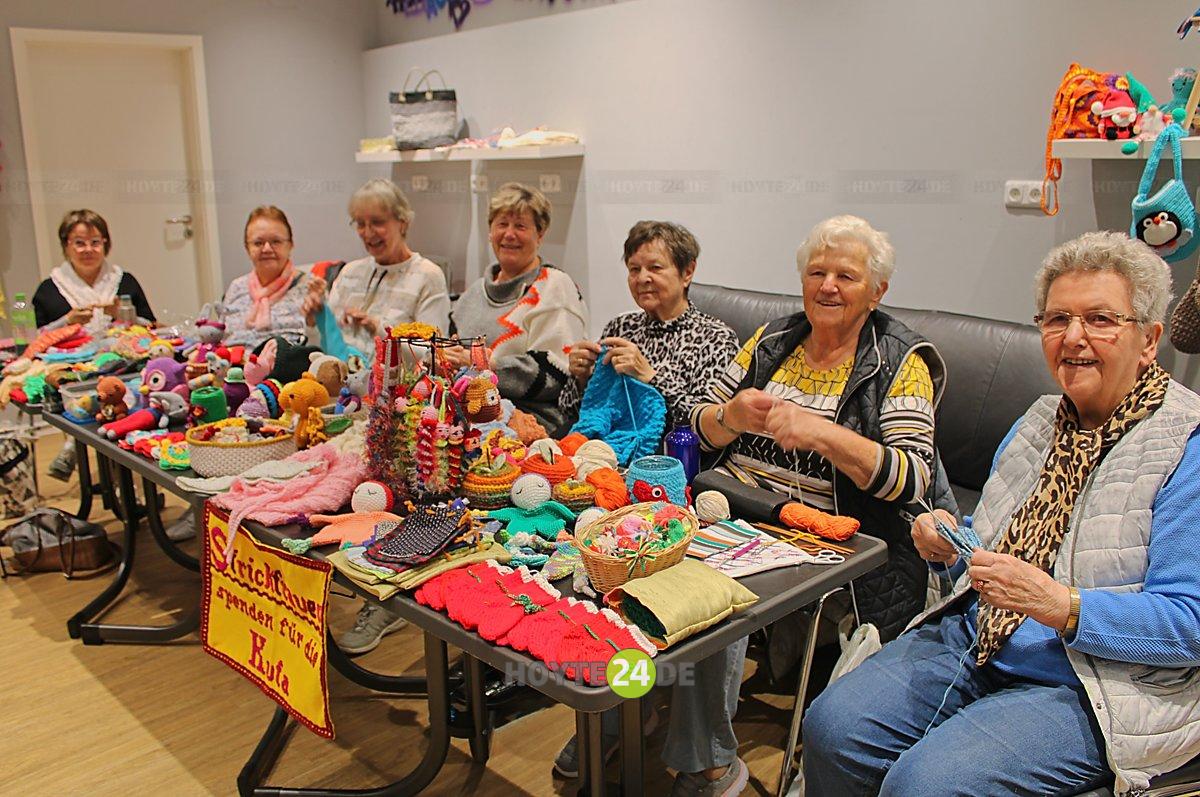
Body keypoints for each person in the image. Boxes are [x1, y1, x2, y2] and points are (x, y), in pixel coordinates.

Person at [553, 215, 955, 793]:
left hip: (824, 536)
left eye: (847, 275)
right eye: (817, 272)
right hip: (730, 506)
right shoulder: (771, 342)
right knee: (625, 571)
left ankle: (708, 759)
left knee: (710, 595)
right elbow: (698, 423)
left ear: (878, 291)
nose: (828, 286)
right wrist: (729, 418)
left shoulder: (899, 362)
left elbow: (911, 479)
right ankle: (622, 711)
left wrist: (821, 434)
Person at [803, 231, 1200, 796]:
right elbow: (989, 545)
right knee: (832, 729)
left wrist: (1060, 606)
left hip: (1093, 681)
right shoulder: (1037, 421)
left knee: (925, 786)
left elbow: (1191, 625)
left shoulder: (1185, 445)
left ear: (1149, 339)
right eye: (1057, 319)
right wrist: (948, 546)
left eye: (1102, 320)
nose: (1075, 338)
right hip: (975, 636)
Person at [559, 220, 739, 435]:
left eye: (655, 268)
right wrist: (582, 378)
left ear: (687, 272)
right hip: (608, 450)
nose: (642, 278)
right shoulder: (621, 327)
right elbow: (571, 412)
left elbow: (713, 426)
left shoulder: (716, 339)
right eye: (634, 269)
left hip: (672, 460)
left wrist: (650, 377)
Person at [447, 182, 588, 437]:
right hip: (469, 417)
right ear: (490, 232)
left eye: (521, 226)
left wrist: (486, 365)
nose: (509, 234)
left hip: (534, 426)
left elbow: (557, 375)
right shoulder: (471, 295)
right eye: (502, 224)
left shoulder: (554, 286)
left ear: (540, 234)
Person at [34, 209, 156, 480]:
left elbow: (150, 326)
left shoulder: (124, 280)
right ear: (66, 245)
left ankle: (120, 457)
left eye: (95, 242)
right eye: (79, 242)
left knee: (133, 379)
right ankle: (74, 443)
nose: (88, 249)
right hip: (72, 362)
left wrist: (122, 315)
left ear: (105, 244)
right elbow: (37, 338)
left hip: (122, 360)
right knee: (74, 384)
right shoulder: (49, 288)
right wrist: (68, 320)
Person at [304, 178, 450, 358]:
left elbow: (432, 355)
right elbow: (319, 348)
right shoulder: (350, 272)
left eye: (377, 222)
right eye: (360, 224)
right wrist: (313, 320)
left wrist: (378, 329)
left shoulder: (428, 276)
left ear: (403, 222)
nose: (368, 233)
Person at [217, 206, 315, 348]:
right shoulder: (236, 287)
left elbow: (321, 341)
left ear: (290, 245)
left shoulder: (311, 287)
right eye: (258, 243)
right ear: (247, 248)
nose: (267, 249)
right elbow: (220, 337)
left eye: (276, 241)